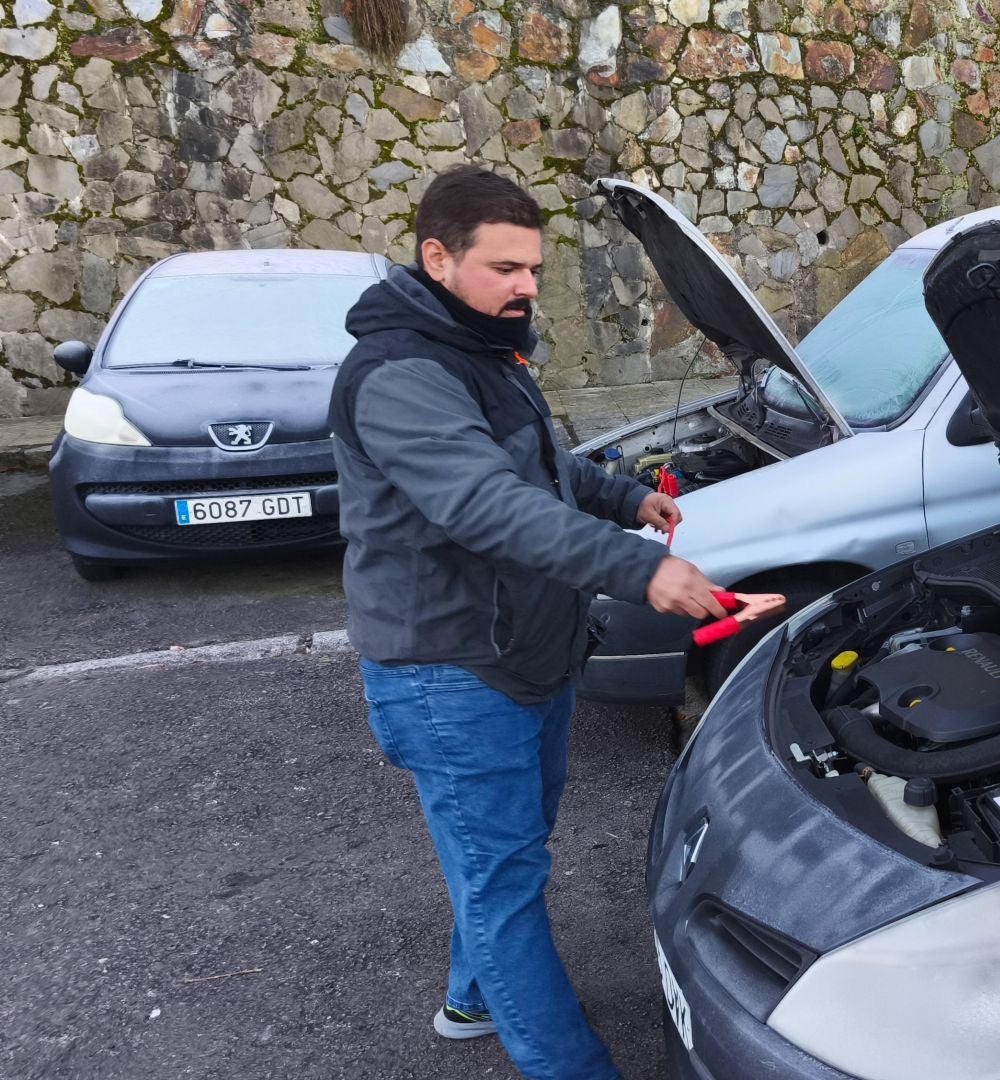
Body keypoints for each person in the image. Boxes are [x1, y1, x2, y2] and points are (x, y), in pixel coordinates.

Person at [327, 165, 727, 1080]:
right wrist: (644, 570)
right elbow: (484, 505)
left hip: (523, 656)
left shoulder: (480, 348)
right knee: (504, 883)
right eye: (507, 267)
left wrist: (624, 499)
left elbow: (538, 468)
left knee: (502, 856)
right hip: (450, 674)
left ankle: (473, 998)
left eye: (535, 269)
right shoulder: (400, 373)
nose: (528, 287)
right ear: (437, 257)